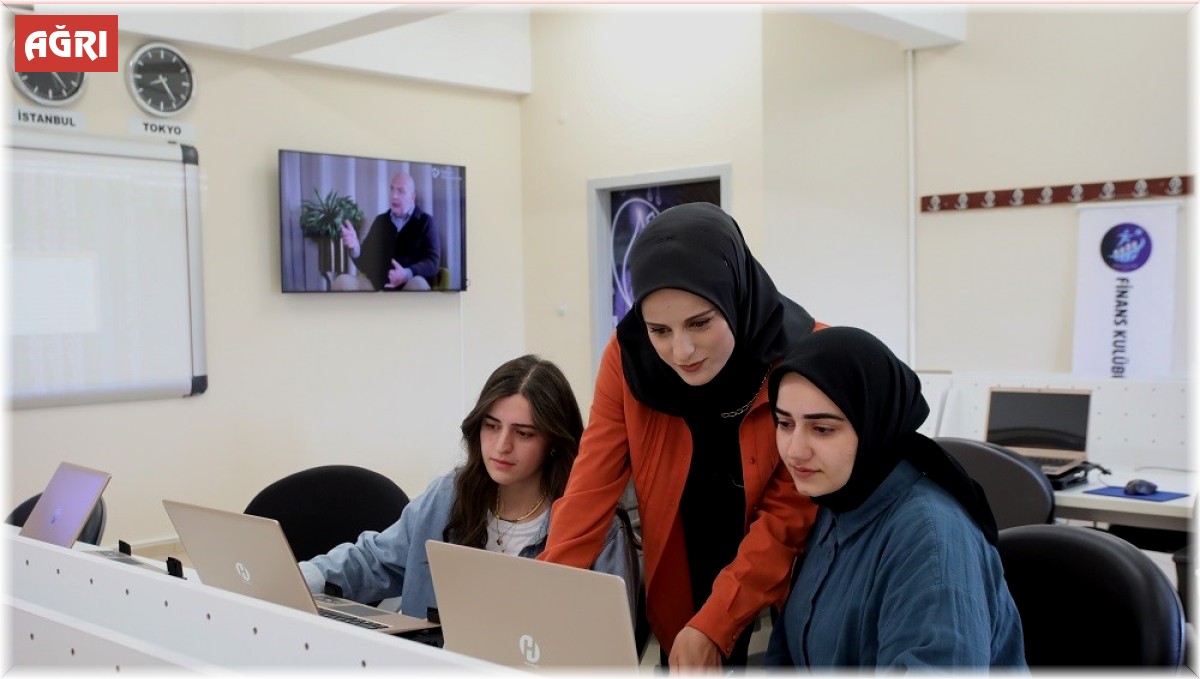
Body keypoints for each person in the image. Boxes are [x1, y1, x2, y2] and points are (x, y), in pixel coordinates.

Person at [538, 202, 822, 670]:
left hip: (783, 591)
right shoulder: (628, 357)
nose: (681, 351)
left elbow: (786, 517)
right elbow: (590, 487)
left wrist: (716, 623)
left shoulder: (807, 356)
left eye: (700, 322)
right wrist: (542, 600)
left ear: (734, 294)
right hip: (680, 579)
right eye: (659, 330)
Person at [298, 354, 639, 622]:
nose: (502, 446)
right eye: (492, 426)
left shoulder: (598, 527)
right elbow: (375, 561)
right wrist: (301, 577)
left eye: (523, 433)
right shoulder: (448, 495)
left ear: (553, 442)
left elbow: (609, 646)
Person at [765, 326, 1026, 669]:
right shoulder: (838, 498)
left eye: (822, 429)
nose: (795, 451)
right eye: (785, 424)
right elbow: (788, 651)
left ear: (874, 424)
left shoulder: (930, 539)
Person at [334, 170, 441, 291]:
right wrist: (356, 248)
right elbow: (365, 263)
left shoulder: (426, 222)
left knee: (418, 285)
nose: (394, 196)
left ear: (412, 196)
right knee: (342, 282)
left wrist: (407, 273)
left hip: (408, 286)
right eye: (392, 189)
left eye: (401, 191)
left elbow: (433, 262)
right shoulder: (381, 221)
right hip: (376, 287)